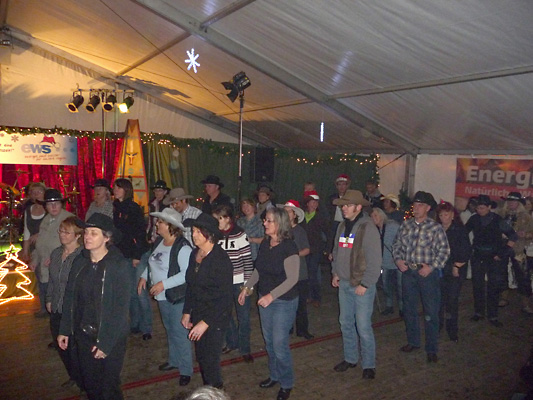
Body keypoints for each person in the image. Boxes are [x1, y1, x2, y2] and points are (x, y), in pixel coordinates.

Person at [58, 213, 131, 400]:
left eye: (93, 233)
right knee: (91, 385)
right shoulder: (80, 261)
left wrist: (105, 343)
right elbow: (70, 296)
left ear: (107, 238)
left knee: (109, 387)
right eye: (86, 232)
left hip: (110, 335)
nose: (87, 237)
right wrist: (65, 329)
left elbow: (120, 309)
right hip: (83, 334)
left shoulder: (118, 265)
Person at [239, 207, 299, 400]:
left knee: (280, 344)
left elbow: (292, 279)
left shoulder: (289, 247)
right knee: (270, 342)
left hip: (284, 301)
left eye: (268, 220)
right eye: (265, 220)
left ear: (279, 223)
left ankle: (287, 383)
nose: (264, 223)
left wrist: (271, 296)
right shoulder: (266, 243)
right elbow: (258, 270)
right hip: (266, 299)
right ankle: (274, 375)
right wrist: (247, 287)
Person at [392, 191, 450, 363]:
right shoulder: (406, 225)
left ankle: (431, 348)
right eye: (414, 205)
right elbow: (396, 245)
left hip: (427, 274)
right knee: (409, 309)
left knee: (431, 312)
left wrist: (431, 267)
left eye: (420, 205)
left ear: (428, 208)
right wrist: (398, 260)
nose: (416, 208)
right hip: (408, 272)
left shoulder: (435, 228)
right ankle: (413, 342)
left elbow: (444, 251)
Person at [138, 207, 193, 386]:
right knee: (170, 329)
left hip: (178, 296)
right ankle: (173, 360)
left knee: (179, 333)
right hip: (163, 296)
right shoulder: (160, 242)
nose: (157, 225)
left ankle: (186, 370)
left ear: (170, 225)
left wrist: (163, 284)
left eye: (160, 222)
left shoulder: (182, 247)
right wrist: (144, 277)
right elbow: (152, 262)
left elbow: (187, 274)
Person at [330, 191, 382, 379]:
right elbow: (337, 251)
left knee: (363, 326)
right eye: (343, 205)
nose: (344, 208)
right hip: (344, 283)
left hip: (361, 286)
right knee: (345, 323)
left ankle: (368, 364)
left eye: (348, 205)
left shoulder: (368, 227)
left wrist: (366, 284)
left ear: (358, 207)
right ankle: (350, 358)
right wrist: (335, 272)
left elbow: (375, 260)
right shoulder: (342, 226)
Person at [181, 213, 233, 389]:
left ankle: (216, 392)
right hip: (199, 312)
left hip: (215, 317)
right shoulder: (195, 254)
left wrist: (206, 322)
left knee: (211, 361)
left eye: (197, 231)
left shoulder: (220, 259)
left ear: (209, 234)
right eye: (193, 231)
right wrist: (187, 311)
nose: (193, 235)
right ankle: (209, 389)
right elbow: (191, 285)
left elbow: (225, 298)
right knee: (202, 358)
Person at [465, 194, 518, 327]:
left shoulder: (497, 219)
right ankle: (479, 312)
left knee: (493, 287)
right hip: (478, 255)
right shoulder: (474, 219)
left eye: (482, 208)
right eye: (478, 208)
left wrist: (503, 252)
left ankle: (493, 315)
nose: (480, 210)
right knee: (477, 285)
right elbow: (463, 233)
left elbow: (513, 236)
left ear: (489, 207)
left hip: (494, 257)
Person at [212, 204, 254, 362]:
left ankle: (245, 348)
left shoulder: (239, 234)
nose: (216, 222)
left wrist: (247, 286)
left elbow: (247, 261)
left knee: (244, 317)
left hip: (239, 282)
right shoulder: (215, 235)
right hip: (222, 283)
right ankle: (232, 341)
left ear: (227, 219)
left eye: (219, 219)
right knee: (225, 315)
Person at [45, 216, 84, 389]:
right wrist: (48, 299)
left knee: (76, 349)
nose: (62, 235)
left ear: (77, 235)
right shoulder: (56, 253)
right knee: (62, 347)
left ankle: (84, 382)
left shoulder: (82, 256)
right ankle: (73, 375)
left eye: (67, 232)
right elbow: (52, 280)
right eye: (61, 231)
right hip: (57, 307)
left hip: (74, 310)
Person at [112, 178, 152, 339]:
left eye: (118, 188)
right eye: (115, 188)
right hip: (124, 254)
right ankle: (135, 324)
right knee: (130, 292)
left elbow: (139, 232)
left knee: (140, 292)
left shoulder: (133, 208)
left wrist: (137, 255)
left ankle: (147, 327)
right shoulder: (116, 207)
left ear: (126, 190)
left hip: (138, 253)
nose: (115, 190)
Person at [31, 188, 74, 318]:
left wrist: (57, 258)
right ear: (46, 206)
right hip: (44, 264)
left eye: (56, 203)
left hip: (61, 265)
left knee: (59, 295)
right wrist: (35, 259)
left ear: (61, 204)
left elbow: (74, 244)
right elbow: (40, 242)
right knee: (44, 287)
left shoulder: (69, 220)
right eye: (50, 204)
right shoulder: (46, 219)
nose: (53, 206)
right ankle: (45, 309)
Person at [435, 201, 471, 342]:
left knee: (452, 300)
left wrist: (457, 266)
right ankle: (438, 325)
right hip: (439, 268)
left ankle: (452, 329)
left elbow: (466, 251)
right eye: (441, 215)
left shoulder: (459, 230)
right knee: (439, 300)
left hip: (454, 268)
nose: (444, 217)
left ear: (452, 215)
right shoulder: (436, 229)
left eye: (446, 214)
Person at [279, 200, 313, 340]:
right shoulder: (280, 231)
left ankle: (302, 329)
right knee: (286, 302)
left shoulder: (299, 231)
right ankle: (288, 328)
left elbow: (307, 249)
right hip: (284, 273)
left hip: (299, 273)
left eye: (289, 211)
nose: (286, 214)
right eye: (285, 211)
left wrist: (293, 255)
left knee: (301, 303)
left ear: (295, 215)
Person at [498, 192, 533, 314]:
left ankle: (525, 303)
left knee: (523, 275)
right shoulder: (500, 214)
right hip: (502, 248)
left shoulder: (526, 216)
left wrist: (526, 235)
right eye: (509, 201)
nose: (511, 203)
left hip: (518, 249)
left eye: (514, 201)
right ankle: (503, 298)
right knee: (501, 273)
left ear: (519, 203)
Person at [300, 190, 330, 308]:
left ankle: (316, 297)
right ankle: (307, 295)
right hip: (304, 248)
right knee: (305, 273)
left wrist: (327, 248)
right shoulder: (302, 216)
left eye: (316, 202)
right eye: (312, 202)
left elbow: (328, 233)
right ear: (307, 203)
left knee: (313, 272)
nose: (314, 204)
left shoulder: (320, 217)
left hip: (316, 249)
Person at [370, 207, 401, 316]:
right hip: (384, 263)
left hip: (397, 262)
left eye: (376, 215)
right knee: (386, 286)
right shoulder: (374, 230)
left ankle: (402, 308)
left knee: (400, 287)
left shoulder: (392, 226)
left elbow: (402, 239)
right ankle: (389, 306)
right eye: (372, 216)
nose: (373, 218)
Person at [21, 182, 46, 261]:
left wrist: (40, 234)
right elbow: (27, 232)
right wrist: (25, 251)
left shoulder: (50, 209)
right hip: (33, 247)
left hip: (47, 245)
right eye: (33, 192)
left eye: (39, 192)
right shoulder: (28, 210)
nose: (36, 194)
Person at [327, 174, 351, 251]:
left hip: (347, 224)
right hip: (334, 224)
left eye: (343, 184)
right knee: (333, 243)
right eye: (339, 185)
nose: (341, 187)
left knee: (345, 245)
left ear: (347, 186)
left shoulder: (350, 198)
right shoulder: (332, 198)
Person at [236, 198, 264, 262]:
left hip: (255, 255)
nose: (245, 208)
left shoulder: (260, 222)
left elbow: (265, 240)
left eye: (248, 205)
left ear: (253, 207)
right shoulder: (239, 221)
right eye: (243, 206)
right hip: (241, 255)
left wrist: (251, 240)